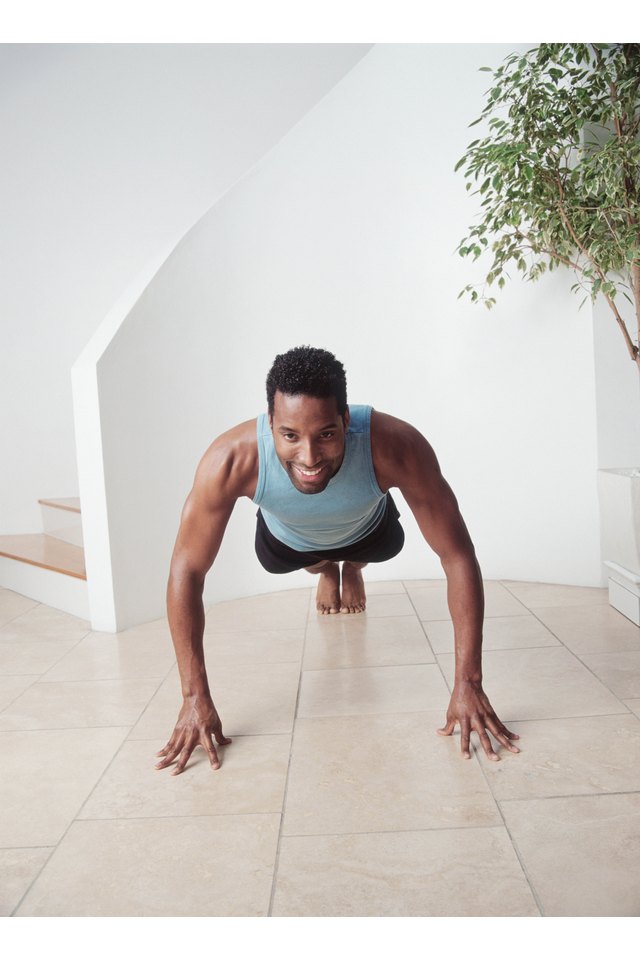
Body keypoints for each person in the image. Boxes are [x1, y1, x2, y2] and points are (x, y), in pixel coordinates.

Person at [156, 345, 520, 776]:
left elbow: (457, 556)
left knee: (374, 548)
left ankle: (351, 564)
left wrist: (468, 683)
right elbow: (187, 570)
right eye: (289, 435)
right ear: (269, 424)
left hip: (369, 531)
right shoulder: (231, 459)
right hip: (288, 541)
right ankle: (326, 567)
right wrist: (194, 696)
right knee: (312, 559)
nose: (309, 457)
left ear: (346, 421)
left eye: (326, 434)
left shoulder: (394, 444)